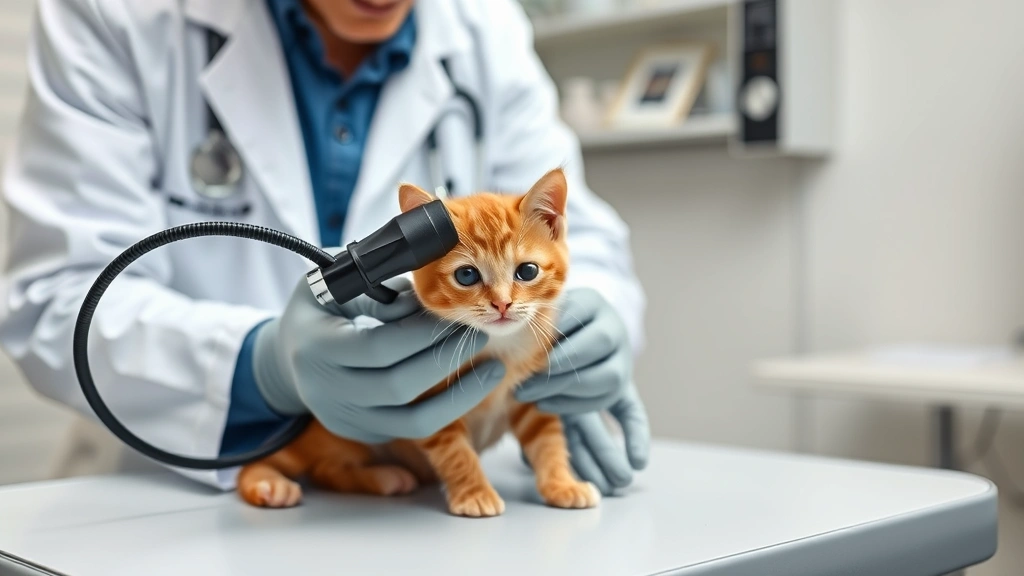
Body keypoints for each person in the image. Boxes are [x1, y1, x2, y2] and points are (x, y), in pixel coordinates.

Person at [0, 0, 649, 495]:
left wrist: (593, 317)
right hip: (177, 490)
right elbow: (55, 296)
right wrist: (262, 365)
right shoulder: (118, 15)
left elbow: (576, 233)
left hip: (407, 506)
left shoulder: (484, 25)